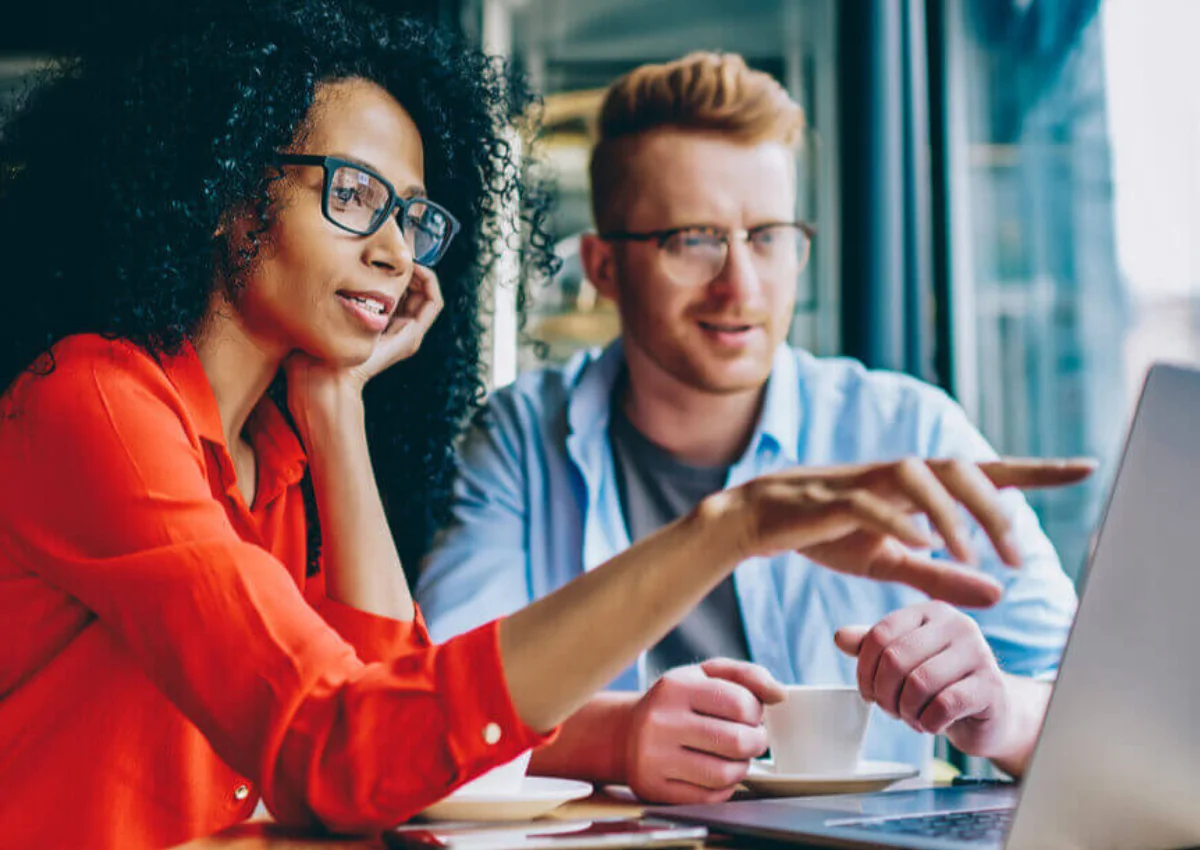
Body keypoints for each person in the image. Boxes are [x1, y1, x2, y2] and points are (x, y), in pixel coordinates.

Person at [416, 51, 1087, 804]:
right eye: (693, 239)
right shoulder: (520, 438)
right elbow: (430, 709)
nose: (742, 284)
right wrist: (617, 736)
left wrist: (998, 711)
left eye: (768, 236)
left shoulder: (907, 429)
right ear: (604, 267)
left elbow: (1099, 707)